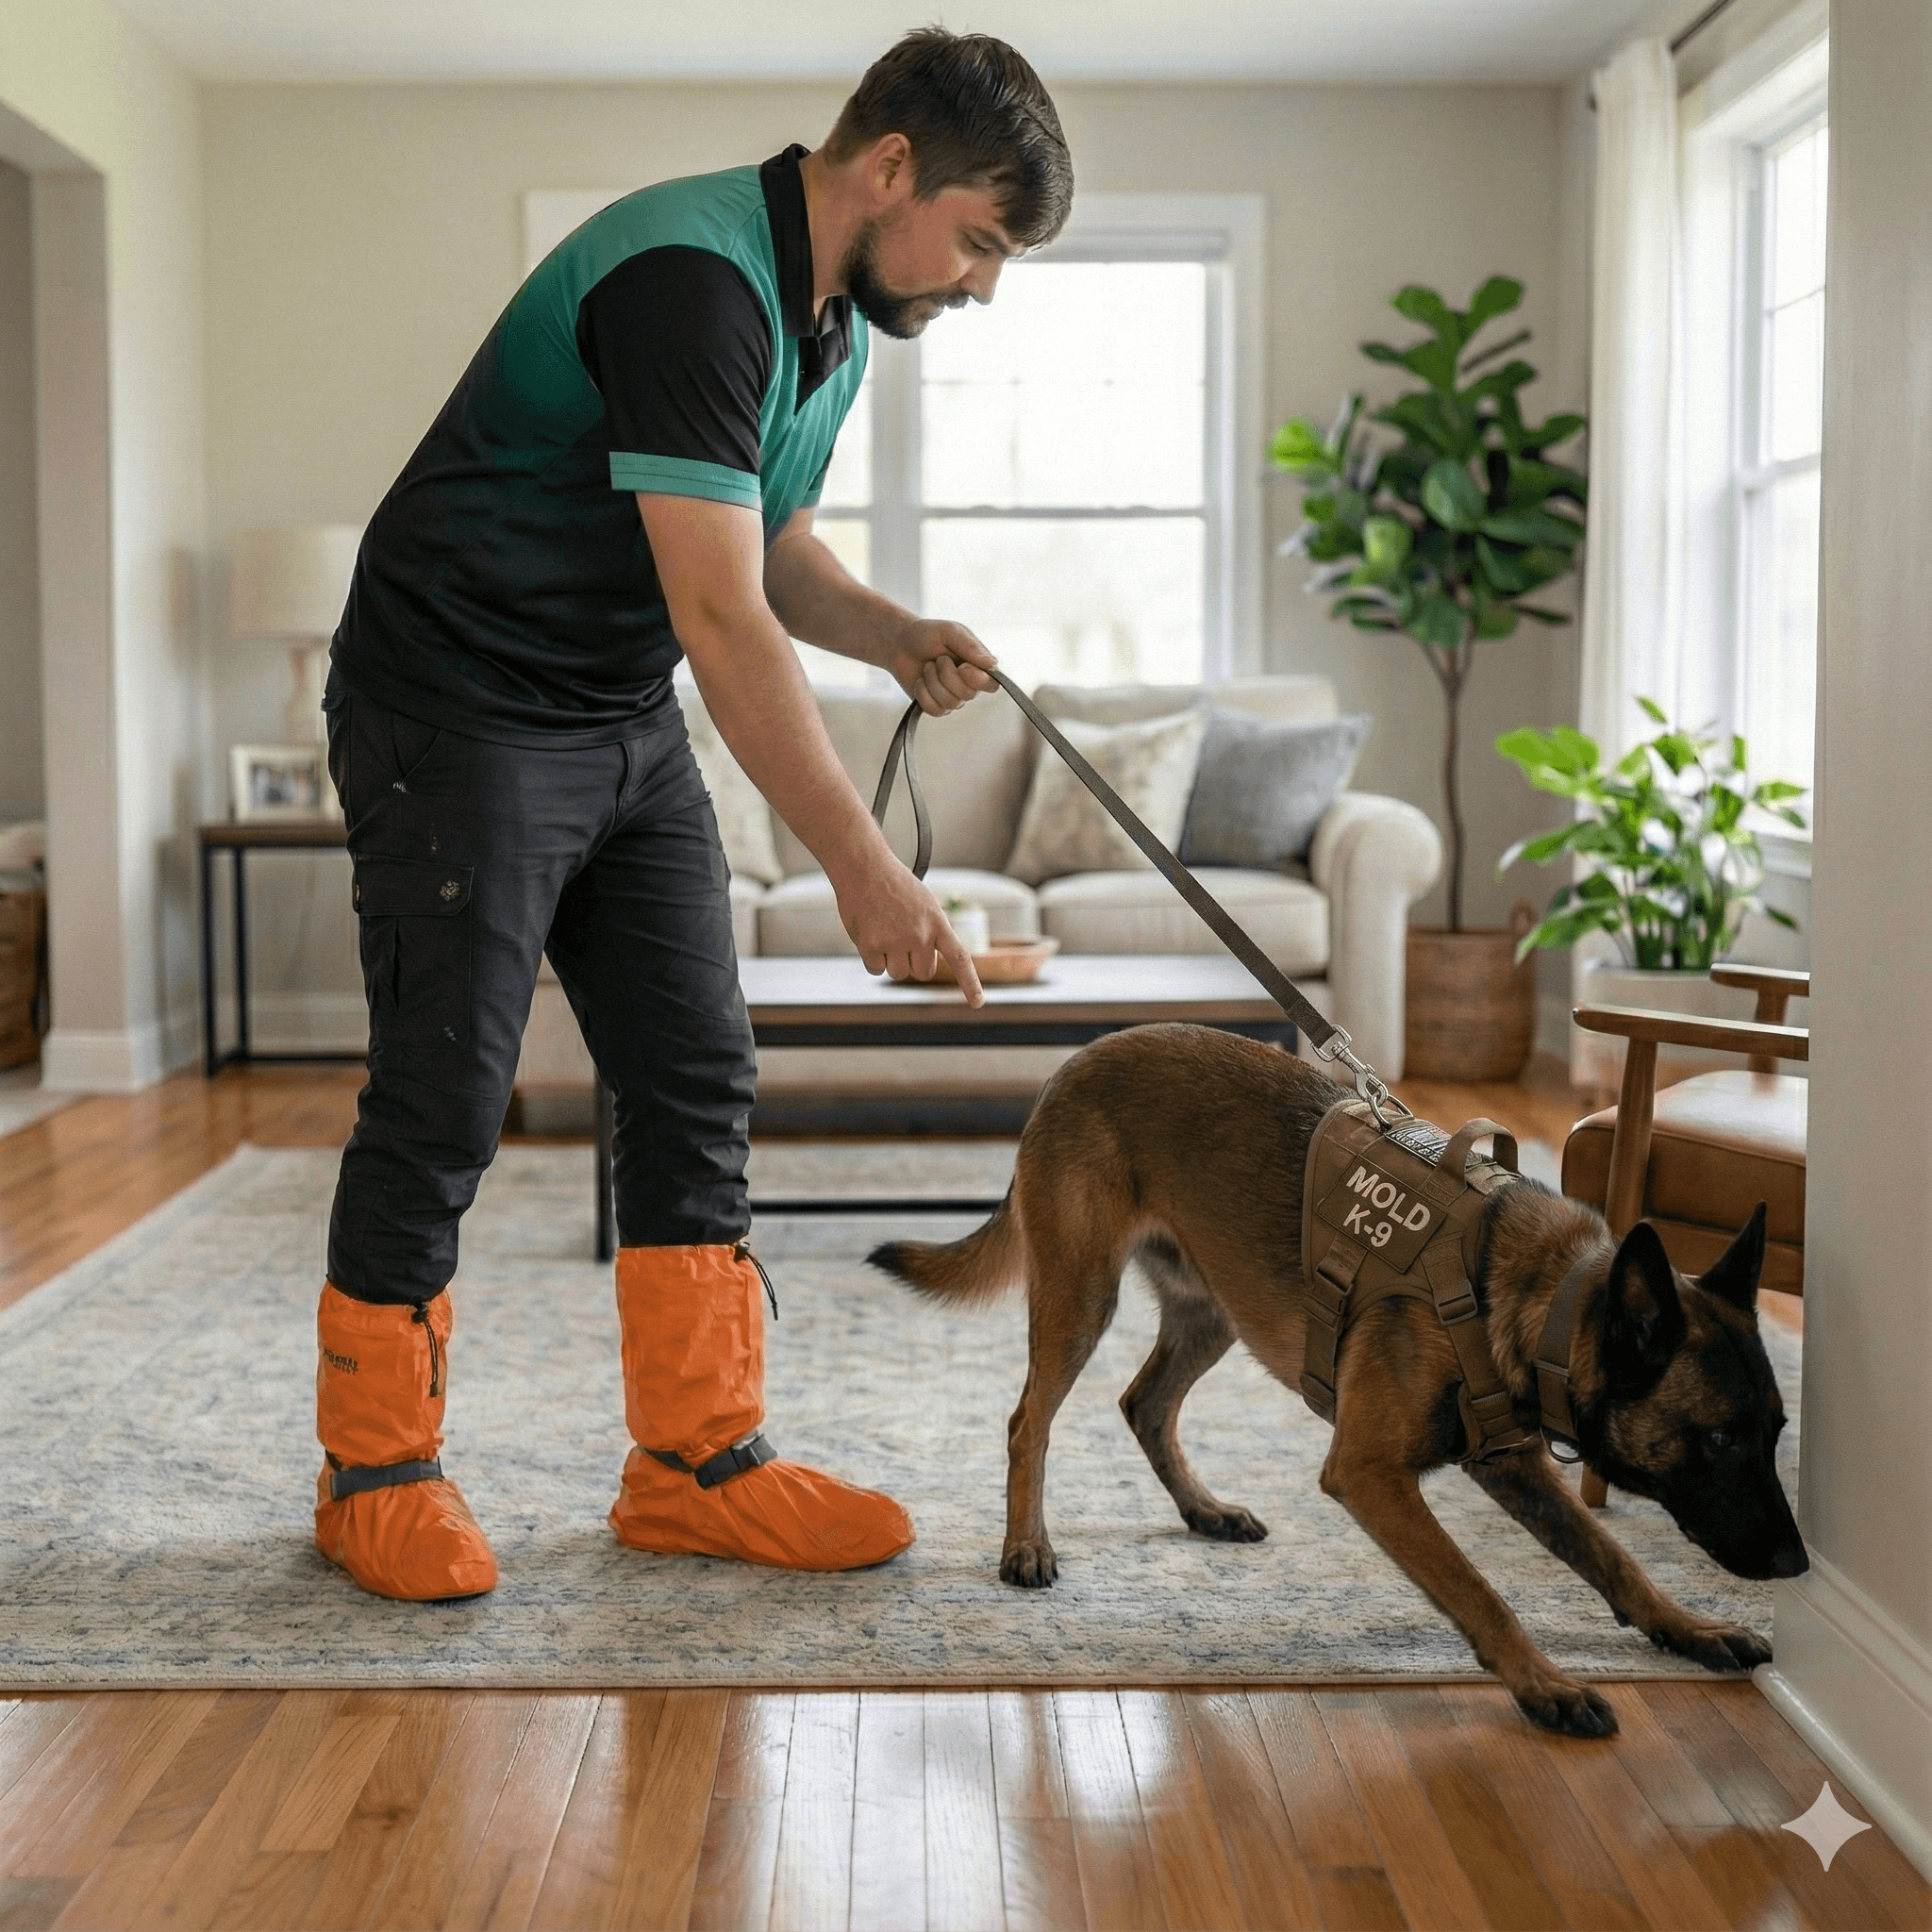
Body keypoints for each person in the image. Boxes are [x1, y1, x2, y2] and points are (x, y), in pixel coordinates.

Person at [311, 29, 1074, 1602]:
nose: (983, 284)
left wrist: (893, 632)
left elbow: (774, 543)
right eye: (984, 240)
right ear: (889, 172)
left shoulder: (836, 320)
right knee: (448, 1092)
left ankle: (693, 1468)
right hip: (451, 706)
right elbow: (722, 619)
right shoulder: (689, 281)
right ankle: (371, 1475)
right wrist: (864, 874)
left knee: (695, 1064)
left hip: (607, 709)